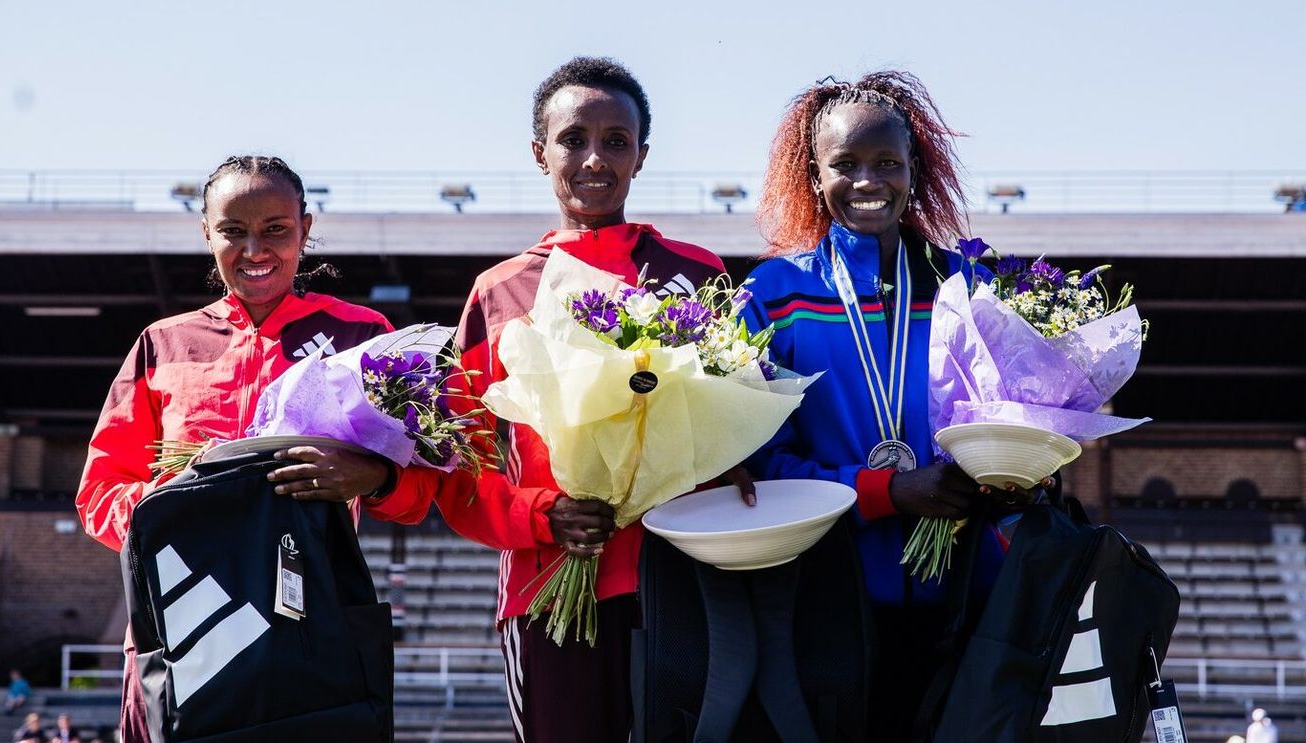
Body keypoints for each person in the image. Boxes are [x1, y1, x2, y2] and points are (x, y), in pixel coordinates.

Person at [75, 155, 434, 743]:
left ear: (305, 228)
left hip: (311, 622)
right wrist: (178, 509)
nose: (255, 249)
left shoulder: (363, 337)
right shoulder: (162, 344)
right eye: (233, 231)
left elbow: (419, 492)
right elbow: (99, 493)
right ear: (206, 234)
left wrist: (368, 478)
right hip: (186, 623)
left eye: (276, 229)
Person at [431, 57, 730, 743]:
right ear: (541, 153)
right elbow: (461, 464)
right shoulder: (498, 292)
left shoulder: (695, 273)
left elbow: (735, 414)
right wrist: (546, 514)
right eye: (573, 139)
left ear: (641, 155)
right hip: (551, 590)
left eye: (616, 141)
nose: (595, 158)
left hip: (682, 581)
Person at [741, 71, 1044, 739]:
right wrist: (888, 490)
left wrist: (1015, 474)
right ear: (816, 176)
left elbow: (1022, 415)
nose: (868, 181)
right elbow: (759, 465)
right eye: (845, 164)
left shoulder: (970, 283)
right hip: (830, 599)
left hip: (969, 592)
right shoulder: (774, 294)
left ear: (914, 171)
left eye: (887, 163)